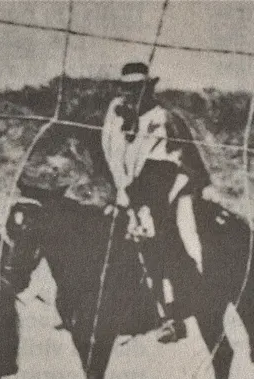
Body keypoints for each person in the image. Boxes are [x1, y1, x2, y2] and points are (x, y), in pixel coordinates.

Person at [101, 62, 211, 343]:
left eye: (137, 89)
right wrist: (119, 197)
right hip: (132, 192)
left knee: (167, 237)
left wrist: (136, 202)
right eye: (125, 89)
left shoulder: (161, 118)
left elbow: (159, 169)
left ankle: (175, 313)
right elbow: (110, 159)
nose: (129, 95)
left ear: (148, 90)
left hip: (174, 185)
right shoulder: (114, 116)